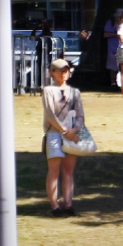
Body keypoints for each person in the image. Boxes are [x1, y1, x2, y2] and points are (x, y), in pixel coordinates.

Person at [41, 59, 87, 217]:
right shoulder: (48, 90)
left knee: (68, 170)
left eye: (66, 70)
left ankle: (68, 203)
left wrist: (74, 130)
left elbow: (80, 116)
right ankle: (54, 205)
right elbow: (50, 114)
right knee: (54, 170)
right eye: (59, 70)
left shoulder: (75, 92)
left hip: (71, 135)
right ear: (51, 73)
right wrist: (63, 130)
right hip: (54, 133)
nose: (63, 73)